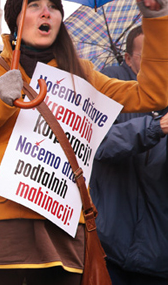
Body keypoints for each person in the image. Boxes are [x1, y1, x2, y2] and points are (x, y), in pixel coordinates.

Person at [0, 0, 168, 285]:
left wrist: (157, 22)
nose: (46, 13)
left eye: (53, 7)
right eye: (35, 6)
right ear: (15, 19)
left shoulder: (81, 74)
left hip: (61, 232)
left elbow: (153, 95)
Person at [90, 24, 168, 285]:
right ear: (128, 58)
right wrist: (155, 127)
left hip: (158, 252)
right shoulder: (110, 84)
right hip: (109, 245)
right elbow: (97, 144)